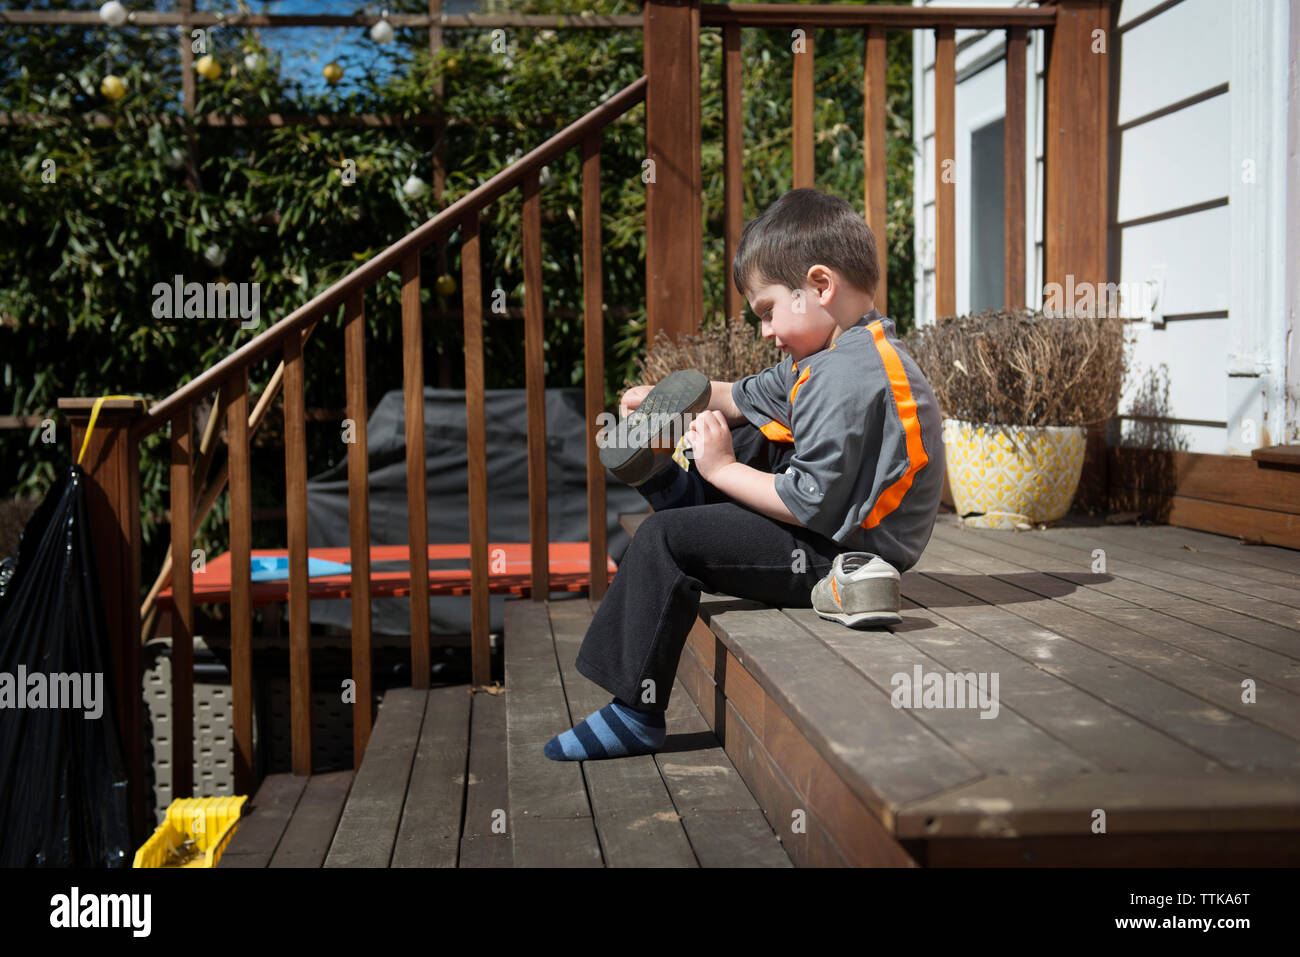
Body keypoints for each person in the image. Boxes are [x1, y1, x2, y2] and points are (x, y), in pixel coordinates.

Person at [543, 187, 945, 761]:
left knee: (663, 540)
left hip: (842, 552)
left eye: (767, 311)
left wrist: (722, 467)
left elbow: (806, 500)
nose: (764, 332)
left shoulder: (849, 378)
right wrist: (671, 401)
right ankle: (681, 491)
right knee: (755, 425)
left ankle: (635, 712)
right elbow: (742, 397)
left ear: (821, 285)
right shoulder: (834, 354)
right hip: (824, 525)